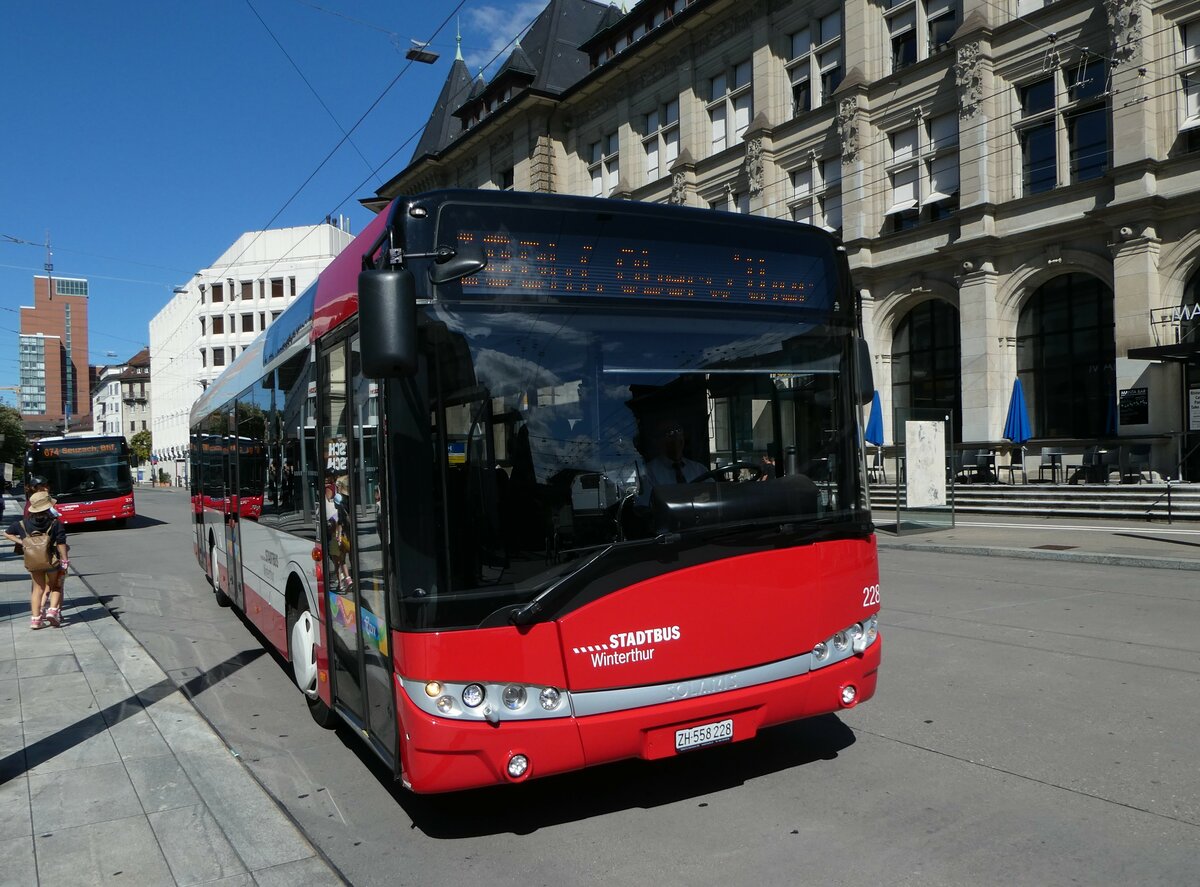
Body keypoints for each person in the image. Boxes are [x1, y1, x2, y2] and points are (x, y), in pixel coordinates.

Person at [5, 490, 69, 629]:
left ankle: (36, 619)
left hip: (33, 561)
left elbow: (7, 533)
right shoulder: (55, 523)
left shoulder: (21, 524)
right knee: (55, 585)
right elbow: (61, 543)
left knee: (37, 589)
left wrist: (24, 542)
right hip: (51, 560)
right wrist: (65, 559)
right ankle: (53, 610)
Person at [644, 421, 710, 486]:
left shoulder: (699, 469)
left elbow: (713, 492)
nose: (676, 437)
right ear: (658, 440)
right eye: (669, 433)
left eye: (679, 431)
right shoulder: (649, 472)